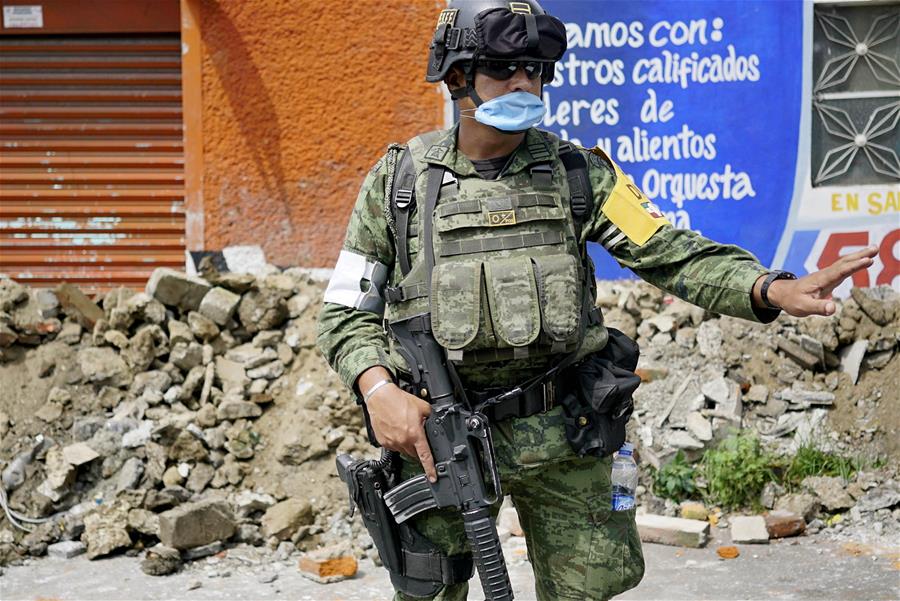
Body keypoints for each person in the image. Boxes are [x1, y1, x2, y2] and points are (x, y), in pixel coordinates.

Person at [316, 1, 877, 599]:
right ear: (457, 76)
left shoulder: (577, 174)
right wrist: (378, 390)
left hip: (566, 434)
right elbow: (344, 313)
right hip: (440, 442)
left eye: (534, 68)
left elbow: (667, 251)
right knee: (431, 590)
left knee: (589, 589)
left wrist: (768, 287)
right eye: (503, 68)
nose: (523, 82)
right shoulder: (400, 182)